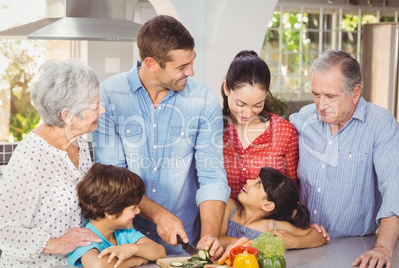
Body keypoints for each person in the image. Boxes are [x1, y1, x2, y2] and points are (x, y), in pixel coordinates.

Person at [91, 15, 230, 257]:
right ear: (151, 63)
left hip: (185, 246)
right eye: (181, 67)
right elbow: (113, 179)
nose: (191, 72)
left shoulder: (204, 100)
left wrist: (210, 235)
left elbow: (212, 177)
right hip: (124, 246)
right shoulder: (110, 96)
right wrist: (158, 214)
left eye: (192, 62)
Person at [289, 50, 399, 267]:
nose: (321, 105)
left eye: (331, 96)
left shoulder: (380, 125)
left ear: (356, 92)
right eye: (316, 94)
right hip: (304, 247)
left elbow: (395, 192)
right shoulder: (304, 118)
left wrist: (383, 247)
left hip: (355, 251)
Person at [0, 59, 105, 267]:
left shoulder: (79, 144)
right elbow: (4, 231)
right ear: (67, 115)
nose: (101, 110)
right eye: (94, 106)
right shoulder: (29, 159)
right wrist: (58, 244)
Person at [221, 50, 299, 200]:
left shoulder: (284, 132)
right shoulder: (213, 128)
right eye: (240, 104)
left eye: (258, 105)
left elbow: (293, 191)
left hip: (270, 223)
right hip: (220, 222)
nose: (248, 113)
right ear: (226, 88)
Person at [67, 163, 166, 267]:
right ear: (111, 212)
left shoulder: (124, 232)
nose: (138, 212)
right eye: (134, 208)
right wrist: (137, 259)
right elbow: (98, 266)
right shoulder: (85, 238)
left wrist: (132, 249)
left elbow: (160, 251)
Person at [219, 166, 328, 250]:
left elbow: (319, 236)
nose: (248, 181)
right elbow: (217, 240)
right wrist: (254, 245)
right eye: (256, 179)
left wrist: (293, 242)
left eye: (258, 184)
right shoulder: (227, 206)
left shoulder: (271, 226)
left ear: (267, 205)